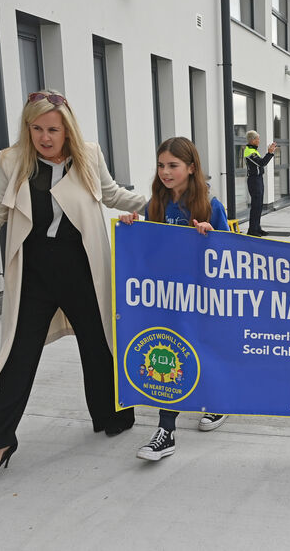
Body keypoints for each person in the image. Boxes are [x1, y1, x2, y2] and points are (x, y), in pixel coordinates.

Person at [0, 90, 146, 473]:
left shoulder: (88, 155)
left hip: (84, 265)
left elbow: (111, 194)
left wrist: (159, 205)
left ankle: (113, 416)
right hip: (35, 272)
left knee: (100, 345)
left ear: (67, 129)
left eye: (53, 129)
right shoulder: (13, 162)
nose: (45, 137)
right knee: (19, 355)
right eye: (37, 128)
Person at [119, 136, 230, 461]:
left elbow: (231, 252)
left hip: (203, 297)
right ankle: (166, 430)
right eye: (161, 165)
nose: (165, 172)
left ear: (191, 168)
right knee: (169, 353)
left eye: (173, 165)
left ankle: (218, 402)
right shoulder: (155, 205)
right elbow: (150, 250)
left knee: (204, 352)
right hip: (167, 298)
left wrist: (212, 235)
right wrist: (132, 226)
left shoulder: (211, 205)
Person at [244, 130, 276, 236]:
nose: (259, 140)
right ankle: (252, 230)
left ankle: (257, 228)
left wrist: (269, 153)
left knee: (259, 206)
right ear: (252, 140)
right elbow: (262, 163)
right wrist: (270, 153)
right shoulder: (249, 151)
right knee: (255, 206)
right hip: (254, 180)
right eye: (257, 138)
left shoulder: (254, 150)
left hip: (258, 179)